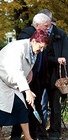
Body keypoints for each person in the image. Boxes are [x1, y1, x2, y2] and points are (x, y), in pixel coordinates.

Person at [0, 29, 50, 140]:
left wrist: (30, 72)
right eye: (41, 47)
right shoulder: (18, 48)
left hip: (9, 81)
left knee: (21, 107)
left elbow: (25, 68)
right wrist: (27, 91)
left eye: (44, 48)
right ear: (33, 41)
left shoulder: (34, 50)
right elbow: (17, 70)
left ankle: (28, 138)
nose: (42, 50)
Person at [11, 13, 52, 140]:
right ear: (37, 24)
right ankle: (17, 135)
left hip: (39, 78)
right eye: (46, 26)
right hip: (27, 79)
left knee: (36, 106)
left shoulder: (44, 37)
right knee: (25, 107)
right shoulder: (27, 35)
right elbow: (21, 58)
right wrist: (29, 70)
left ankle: (36, 134)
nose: (48, 28)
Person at [41, 9, 68, 139]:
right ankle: (39, 131)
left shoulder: (61, 35)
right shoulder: (37, 35)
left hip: (56, 76)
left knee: (55, 106)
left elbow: (64, 56)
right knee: (40, 105)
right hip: (40, 75)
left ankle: (54, 132)